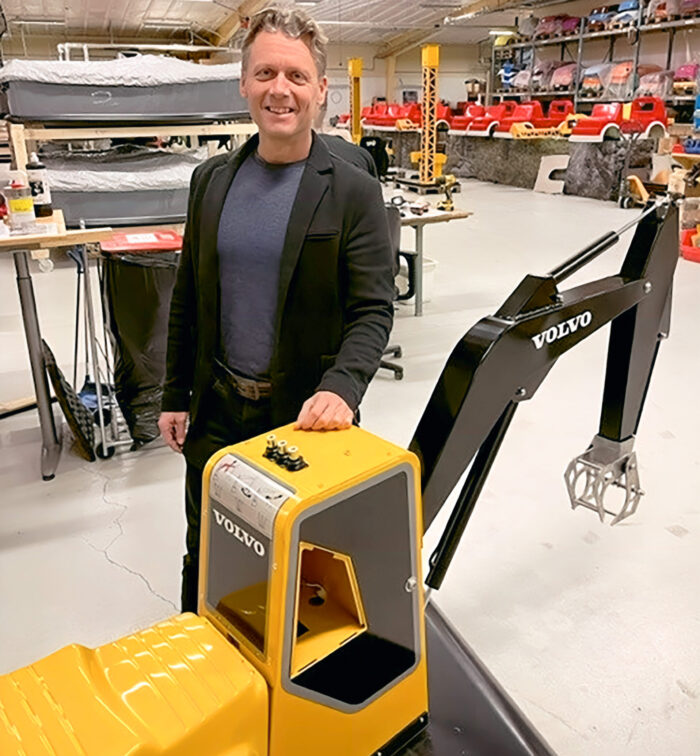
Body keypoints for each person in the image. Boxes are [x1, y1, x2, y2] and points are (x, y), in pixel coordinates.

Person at [158, 5, 395, 612]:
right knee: (207, 545)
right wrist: (174, 394)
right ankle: (202, 658)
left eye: (295, 76)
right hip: (215, 410)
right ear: (244, 83)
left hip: (304, 419)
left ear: (320, 90)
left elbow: (373, 307)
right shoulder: (211, 181)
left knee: (301, 562)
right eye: (265, 73)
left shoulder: (353, 189)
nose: (279, 90)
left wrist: (343, 387)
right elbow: (188, 292)